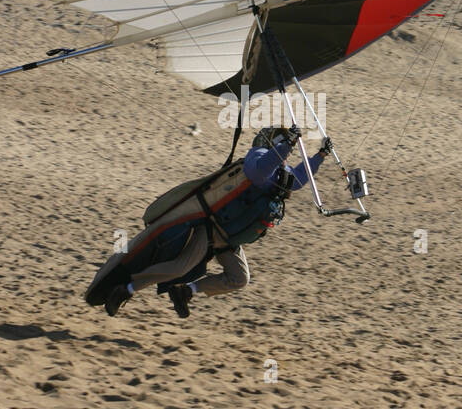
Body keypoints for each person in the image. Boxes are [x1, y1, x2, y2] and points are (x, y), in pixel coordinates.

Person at [103, 127, 329, 318]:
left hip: (229, 238)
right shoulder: (256, 156)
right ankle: (125, 289)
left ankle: (186, 292)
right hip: (211, 228)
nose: (288, 151)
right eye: (285, 145)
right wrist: (286, 146)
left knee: (239, 278)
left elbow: (298, 179)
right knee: (180, 267)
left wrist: (320, 155)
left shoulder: (280, 172)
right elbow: (259, 172)